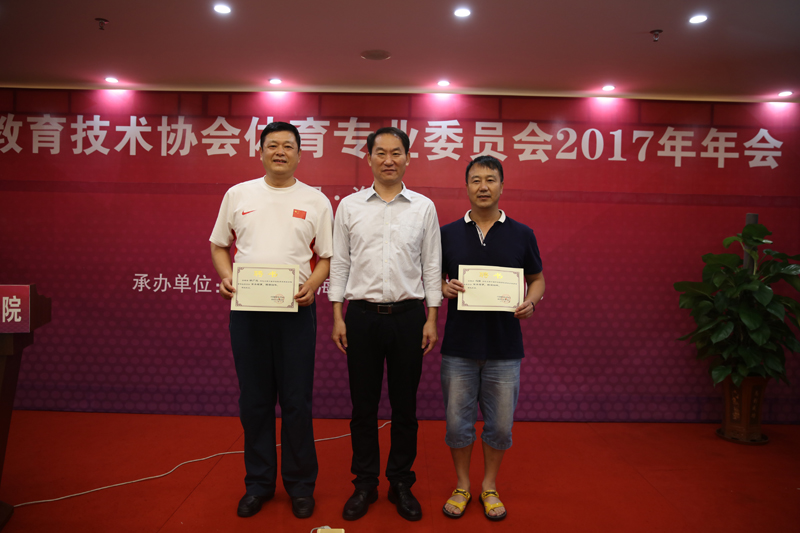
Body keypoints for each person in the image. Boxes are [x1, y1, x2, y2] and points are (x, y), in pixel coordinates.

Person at [209, 122, 333, 520]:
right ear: (260, 151)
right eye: (273, 145)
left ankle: (300, 485)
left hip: (296, 311)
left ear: (299, 154)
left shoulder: (316, 200)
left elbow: (326, 256)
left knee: (296, 400)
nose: (280, 152)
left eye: (288, 146)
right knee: (255, 400)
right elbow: (219, 245)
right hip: (248, 312)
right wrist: (227, 278)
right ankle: (258, 484)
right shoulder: (238, 194)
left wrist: (312, 285)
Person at [329, 127, 442, 522]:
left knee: (405, 406)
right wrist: (337, 315)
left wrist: (431, 318)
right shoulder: (350, 207)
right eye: (381, 153)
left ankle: (400, 482)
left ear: (408, 158)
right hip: (360, 317)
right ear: (369, 158)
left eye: (396, 153)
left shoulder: (423, 207)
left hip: (409, 318)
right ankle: (364, 483)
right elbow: (340, 263)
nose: (389, 160)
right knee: (363, 406)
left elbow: (432, 266)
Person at [439, 155, 544, 521]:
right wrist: (443, 287)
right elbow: (433, 277)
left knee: (500, 426)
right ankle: (462, 485)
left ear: (501, 185)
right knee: (458, 424)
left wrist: (531, 301)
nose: (483, 186)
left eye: (490, 180)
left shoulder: (522, 234)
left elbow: (537, 279)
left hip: (504, 348)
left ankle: (489, 486)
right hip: (459, 347)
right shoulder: (448, 233)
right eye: (476, 180)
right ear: (466, 186)